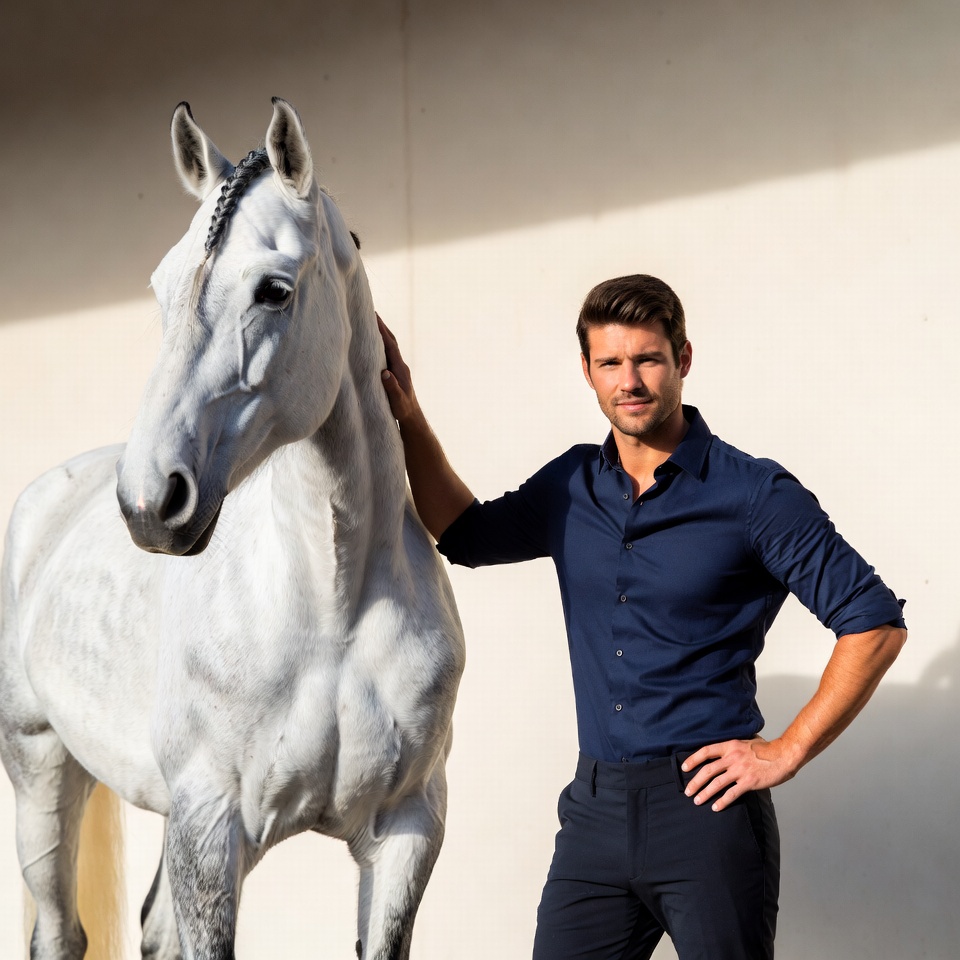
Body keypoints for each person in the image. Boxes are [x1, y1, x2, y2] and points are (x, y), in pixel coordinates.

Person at [378, 274, 906, 960]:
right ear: (587, 371)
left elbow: (873, 621)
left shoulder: (755, 494)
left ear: (682, 359)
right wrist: (409, 418)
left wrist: (789, 748)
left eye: (648, 359)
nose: (628, 381)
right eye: (610, 363)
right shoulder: (570, 485)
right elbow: (464, 534)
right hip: (594, 812)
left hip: (707, 816)